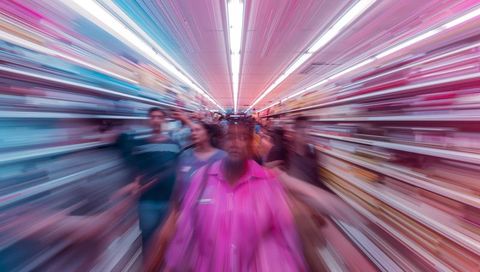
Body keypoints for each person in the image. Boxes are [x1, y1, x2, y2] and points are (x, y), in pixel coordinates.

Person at [165, 121, 306, 271]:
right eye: (230, 136)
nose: (236, 143)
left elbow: (285, 235)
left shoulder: (268, 183)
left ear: (252, 144)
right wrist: (171, 264)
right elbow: (186, 227)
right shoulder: (202, 179)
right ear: (223, 142)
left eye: (243, 137)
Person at [117, 107, 180, 249]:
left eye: (159, 117)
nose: (156, 120)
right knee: (149, 238)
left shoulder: (174, 145)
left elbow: (179, 171)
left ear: (164, 120)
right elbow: (135, 170)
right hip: (147, 201)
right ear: (149, 120)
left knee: (169, 240)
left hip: (169, 201)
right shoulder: (140, 145)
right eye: (153, 117)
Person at [175, 121, 226, 203]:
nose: (193, 133)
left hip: (214, 210)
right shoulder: (185, 155)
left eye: (197, 130)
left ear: (208, 134)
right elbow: (178, 185)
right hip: (187, 207)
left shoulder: (222, 157)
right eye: (192, 131)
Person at [288, 116, 330, 191]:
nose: (305, 132)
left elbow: (316, 173)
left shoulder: (312, 149)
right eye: (302, 128)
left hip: (315, 191)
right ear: (295, 131)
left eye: (308, 128)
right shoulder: (290, 154)